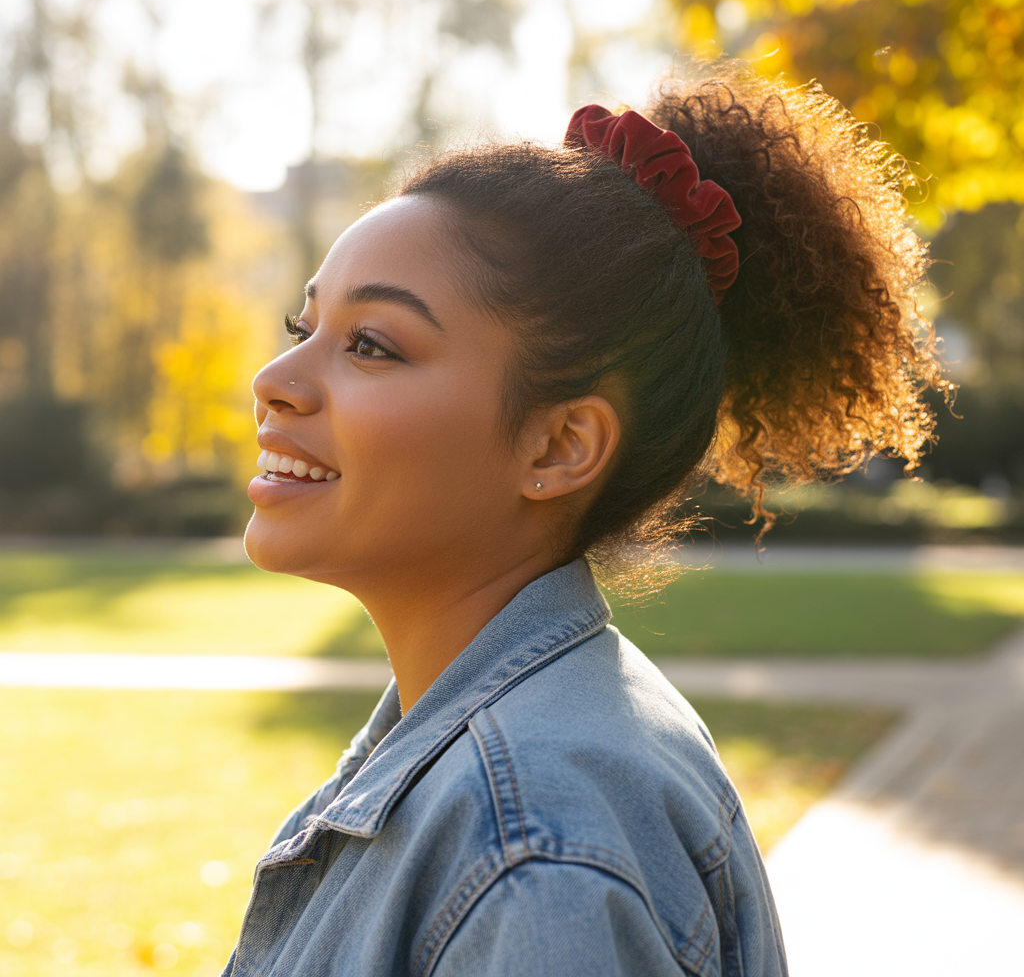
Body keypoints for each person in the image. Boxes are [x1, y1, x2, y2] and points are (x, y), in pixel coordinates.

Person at [225, 62, 944, 977]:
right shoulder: (519, 758)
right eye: (305, 330)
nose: (274, 383)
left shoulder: (532, 853)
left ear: (559, 447)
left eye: (372, 344)